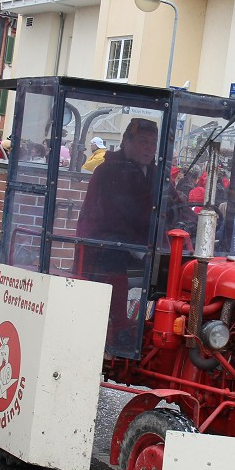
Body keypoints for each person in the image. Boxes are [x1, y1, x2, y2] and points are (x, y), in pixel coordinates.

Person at [76, 118, 159, 351]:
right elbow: (114, 214)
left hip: (140, 244)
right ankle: (122, 329)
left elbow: (171, 203)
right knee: (117, 260)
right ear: (127, 142)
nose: (149, 148)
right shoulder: (109, 171)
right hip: (103, 243)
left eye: (153, 143)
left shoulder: (155, 174)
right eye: (143, 142)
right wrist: (140, 245)